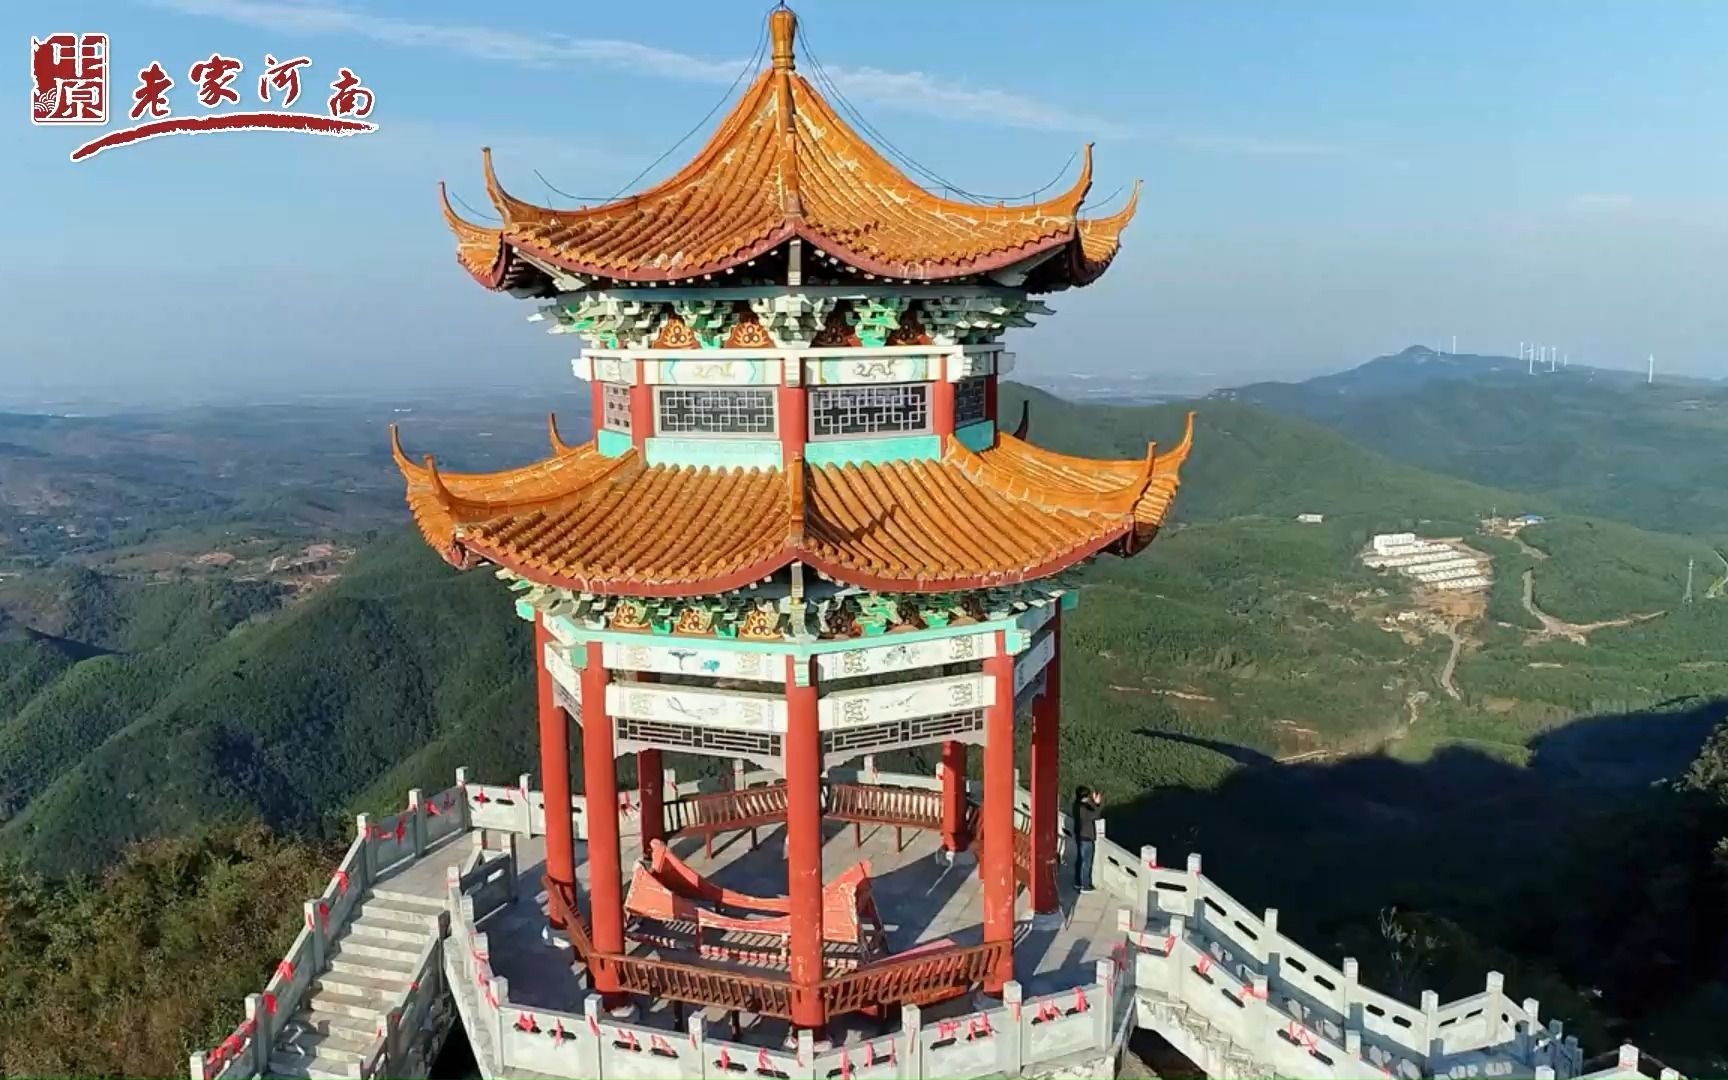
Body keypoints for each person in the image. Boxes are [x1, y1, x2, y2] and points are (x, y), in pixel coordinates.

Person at [1072, 785, 1102, 892]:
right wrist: (1097, 803)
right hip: (1086, 838)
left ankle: (1077, 882)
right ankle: (1085, 885)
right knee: (1086, 862)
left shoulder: (1076, 805)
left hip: (1079, 836)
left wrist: (1093, 803)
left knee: (1080, 860)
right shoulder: (1083, 809)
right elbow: (1096, 815)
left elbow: (1091, 811)